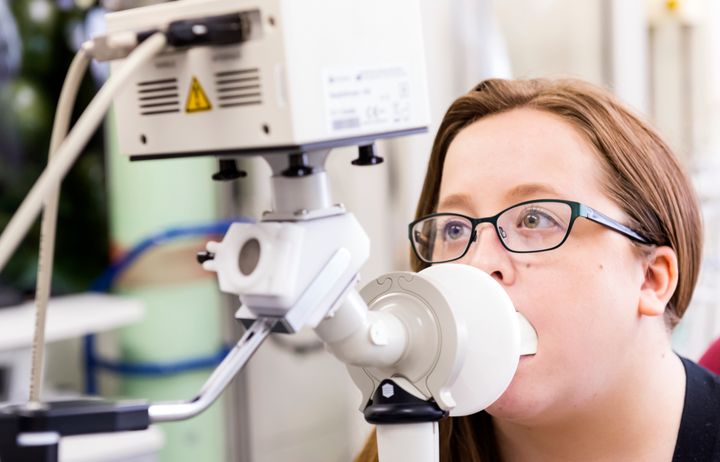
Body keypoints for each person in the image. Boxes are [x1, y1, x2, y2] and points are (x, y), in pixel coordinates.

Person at [354, 78, 720, 461]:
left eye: (534, 219)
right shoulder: (403, 441)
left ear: (651, 279)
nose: (478, 266)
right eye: (455, 229)